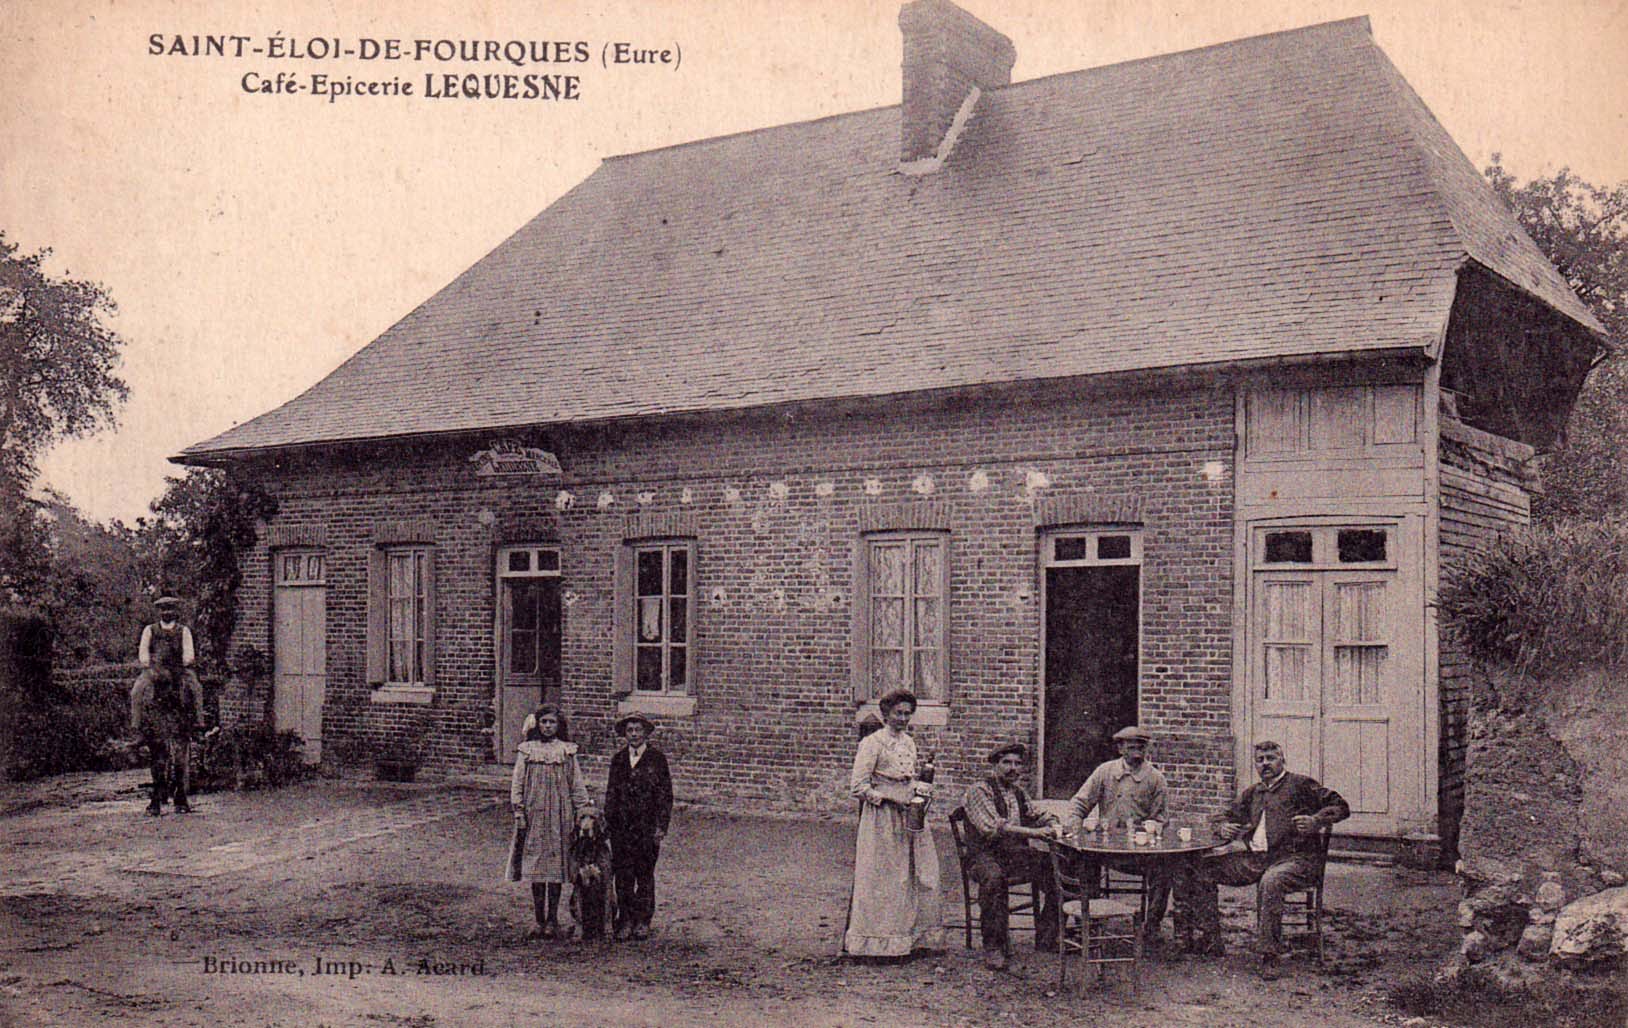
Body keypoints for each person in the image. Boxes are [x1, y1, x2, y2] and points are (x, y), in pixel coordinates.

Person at [1173, 740, 1350, 979]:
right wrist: (1222, 826)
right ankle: (1210, 939)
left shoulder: (1300, 785)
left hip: (1296, 859)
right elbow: (1224, 815)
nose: (1265, 764)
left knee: (1271, 881)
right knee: (1202, 868)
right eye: (1260, 760)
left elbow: (1340, 805)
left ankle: (1269, 955)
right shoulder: (1253, 793)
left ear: (1282, 760)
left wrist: (1316, 820)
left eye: (1271, 758)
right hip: (1257, 859)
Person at [843, 688, 944, 957]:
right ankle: (878, 944)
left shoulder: (909, 742)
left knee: (914, 874)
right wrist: (888, 798)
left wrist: (920, 791)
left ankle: (908, 939)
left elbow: (907, 778)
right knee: (885, 877)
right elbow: (858, 786)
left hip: (910, 815)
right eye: (898, 713)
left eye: (908, 713)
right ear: (886, 714)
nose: (903, 718)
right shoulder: (873, 743)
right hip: (883, 818)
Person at [1065, 725, 1172, 944]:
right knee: (1081, 860)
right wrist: (1075, 823)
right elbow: (1080, 802)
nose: (1137, 751)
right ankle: (1088, 924)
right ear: (1120, 748)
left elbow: (1161, 818)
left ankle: (1151, 926)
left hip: (1139, 853)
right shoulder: (1105, 772)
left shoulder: (1156, 778)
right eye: (1131, 746)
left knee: (1164, 870)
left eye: (1141, 746)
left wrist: (1151, 828)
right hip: (1105, 848)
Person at [959, 742, 1061, 970]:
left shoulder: (1018, 792)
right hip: (983, 855)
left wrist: (1054, 822)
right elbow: (993, 828)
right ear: (995, 765)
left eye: (1017, 763)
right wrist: (1034, 833)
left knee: (1059, 869)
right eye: (1006, 763)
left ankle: (1047, 936)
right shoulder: (979, 791)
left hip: (1013, 855)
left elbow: (1035, 815)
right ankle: (994, 947)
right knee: (993, 879)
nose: (1013, 768)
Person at [509, 704, 595, 940]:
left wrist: (583, 812)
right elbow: (517, 783)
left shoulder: (566, 751)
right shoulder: (527, 750)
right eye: (544, 722)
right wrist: (519, 811)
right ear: (537, 724)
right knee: (537, 867)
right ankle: (538, 919)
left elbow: (576, 785)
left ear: (559, 725)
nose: (548, 726)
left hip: (560, 815)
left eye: (552, 722)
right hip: (534, 815)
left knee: (556, 866)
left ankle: (553, 919)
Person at [128, 594, 208, 816]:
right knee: (137, 691)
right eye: (163, 610)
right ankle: (137, 729)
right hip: (154, 671)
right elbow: (143, 654)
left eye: (170, 609)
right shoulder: (150, 630)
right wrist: (151, 666)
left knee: (196, 687)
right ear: (159, 612)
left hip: (179, 670)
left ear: (176, 611)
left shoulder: (184, 631)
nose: (167, 613)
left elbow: (189, 655)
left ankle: (198, 725)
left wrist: (180, 664)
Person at [603, 713, 673, 941]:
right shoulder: (618, 760)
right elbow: (611, 794)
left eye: (638, 730)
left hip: (646, 827)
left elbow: (665, 795)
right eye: (630, 730)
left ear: (646, 733)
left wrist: (661, 826)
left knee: (644, 874)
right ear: (625, 734)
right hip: (622, 828)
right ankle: (625, 920)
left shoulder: (657, 759)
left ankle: (643, 920)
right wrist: (609, 823)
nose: (634, 734)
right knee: (623, 875)